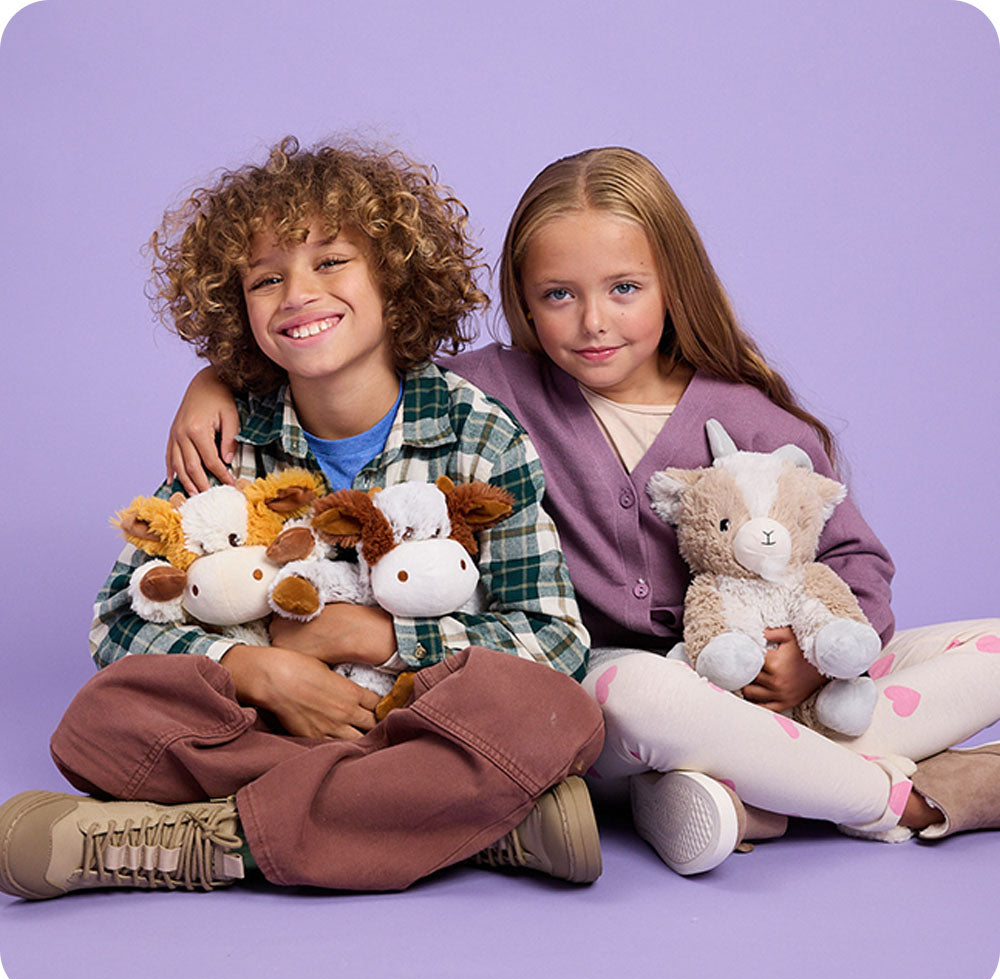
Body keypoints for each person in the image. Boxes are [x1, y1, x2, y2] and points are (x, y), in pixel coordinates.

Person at [160, 146, 1000, 878]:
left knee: (990, 644)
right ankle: (896, 797)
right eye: (557, 295)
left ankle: (749, 794)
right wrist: (218, 382)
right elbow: (350, 353)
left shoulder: (751, 419)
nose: (593, 322)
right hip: (617, 693)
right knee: (638, 695)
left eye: (625, 288)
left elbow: (858, 568)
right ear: (523, 302)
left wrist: (811, 662)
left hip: (782, 684)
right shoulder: (490, 392)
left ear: (677, 283)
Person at [0, 137, 607, 901]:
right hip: (273, 730)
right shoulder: (228, 440)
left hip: (425, 720)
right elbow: (118, 622)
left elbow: (554, 638)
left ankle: (199, 843)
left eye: (330, 262)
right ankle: (466, 824)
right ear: (237, 307)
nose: (297, 294)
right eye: (265, 278)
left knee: (556, 712)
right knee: (103, 716)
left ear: (394, 277)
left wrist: (374, 636)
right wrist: (259, 670)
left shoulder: (478, 433)